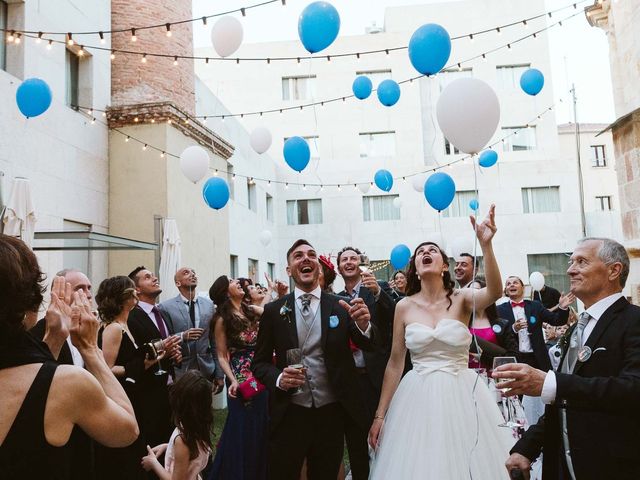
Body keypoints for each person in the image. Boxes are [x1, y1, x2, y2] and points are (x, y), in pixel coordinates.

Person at [368, 205, 514, 479]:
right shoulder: (404, 307)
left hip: (461, 392)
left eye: (432, 250)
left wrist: (486, 246)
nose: (425, 252)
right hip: (416, 397)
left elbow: (495, 291)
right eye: (420, 251)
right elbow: (396, 363)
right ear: (415, 268)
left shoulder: (461, 299)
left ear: (445, 265)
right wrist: (380, 415)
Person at [497, 238, 640, 480]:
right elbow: (564, 403)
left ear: (614, 270)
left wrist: (551, 383)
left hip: (611, 466)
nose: (570, 269)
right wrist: (527, 447)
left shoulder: (633, 321)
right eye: (571, 262)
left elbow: (633, 388)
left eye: (582, 262)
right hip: (562, 467)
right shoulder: (578, 328)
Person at [0, 234, 139, 477]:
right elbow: (127, 430)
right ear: (29, 304)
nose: (85, 294)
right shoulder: (69, 383)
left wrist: (53, 339)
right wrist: (90, 349)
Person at [251, 239, 378, 480]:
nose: (306, 258)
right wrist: (278, 378)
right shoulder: (273, 311)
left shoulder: (341, 306)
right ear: (289, 270)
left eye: (311, 254)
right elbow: (259, 363)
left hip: (330, 411)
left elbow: (369, 344)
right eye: (298, 256)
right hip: (289, 412)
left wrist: (364, 326)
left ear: (319, 268)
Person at [28, 268, 96, 480]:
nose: (88, 294)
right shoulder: (39, 333)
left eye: (89, 288)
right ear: (60, 294)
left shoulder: (90, 331)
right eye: (79, 288)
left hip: (89, 425)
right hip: (54, 431)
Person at [95, 275, 163, 480]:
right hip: (123, 396)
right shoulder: (113, 328)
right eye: (131, 289)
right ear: (123, 297)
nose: (136, 292)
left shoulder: (126, 325)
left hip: (136, 395)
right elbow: (105, 369)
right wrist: (140, 366)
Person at [336, 246, 395, 480]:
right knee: (356, 444)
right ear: (340, 267)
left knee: (384, 440)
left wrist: (379, 292)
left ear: (360, 264)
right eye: (344, 259)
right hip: (350, 382)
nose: (349, 262)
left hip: (376, 378)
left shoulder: (377, 289)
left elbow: (394, 316)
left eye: (353, 258)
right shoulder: (336, 299)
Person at [208, 275, 269, 480]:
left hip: (260, 370)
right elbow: (221, 355)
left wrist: (268, 293)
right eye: (232, 281)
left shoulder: (250, 310)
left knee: (262, 422)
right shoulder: (222, 319)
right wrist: (232, 379)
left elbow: (271, 316)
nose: (238, 282)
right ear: (226, 291)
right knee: (243, 425)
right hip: (241, 375)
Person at [498, 276, 575, 425]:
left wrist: (563, 307)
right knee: (516, 395)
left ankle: (551, 423)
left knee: (546, 393)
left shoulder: (535, 306)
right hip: (516, 359)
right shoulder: (500, 310)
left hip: (537, 358)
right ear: (506, 290)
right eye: (508, 283)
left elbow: (556, 320)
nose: (511, 285)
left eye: (515, 282)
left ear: (522, 288)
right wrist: (513, 328)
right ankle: (517, 427)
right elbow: (498, 333)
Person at [127, 266, 181, 452]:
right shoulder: (132, 317)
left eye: (154, 275)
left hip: (168, 389)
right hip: (148, 392)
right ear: (137, 289)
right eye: (147, 277)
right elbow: (134, 355)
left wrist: (175, 355)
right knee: (153, 442)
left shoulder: (161, 313)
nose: (155, 278)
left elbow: (167, 349)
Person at [158, 267, 224, 393]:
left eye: (194, 272)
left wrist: (219, 374)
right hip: (181, 370)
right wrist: (182, 336)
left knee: (205, 409)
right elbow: (165, 338)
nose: (192, 275)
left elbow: (214, 341)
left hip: (206, 368)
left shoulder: (209, 305)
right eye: (186, 273)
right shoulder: (165, 307)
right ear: (178, 283)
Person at [142, 370, 213, 480]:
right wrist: (168, 446)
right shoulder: (199, 427)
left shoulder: (182, 439)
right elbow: (191, 455)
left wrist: (153, 462)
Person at [467, 279, 519, 371]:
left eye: (476, 290)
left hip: (494, 377)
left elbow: (513, 357)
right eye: (469, 291)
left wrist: (484, 358)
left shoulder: (502, 323)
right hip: (465, 377)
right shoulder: (461, 322)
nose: (472, 294)